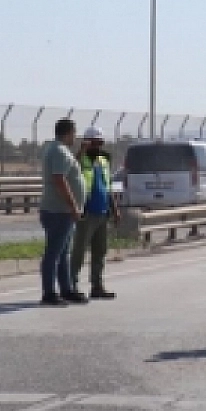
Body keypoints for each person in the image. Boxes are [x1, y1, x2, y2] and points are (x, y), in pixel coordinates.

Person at [38, 118, 87, 307]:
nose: (75, 136)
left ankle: (66, 290)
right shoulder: (58, 150)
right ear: (68, 133)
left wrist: (80, 153)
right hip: (59, 210)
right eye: (74, 133)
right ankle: (49, 293)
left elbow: (69, 169)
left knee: (63, 253)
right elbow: (59, 179)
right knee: (54, 253)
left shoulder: (59, 150)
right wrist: (73, 205)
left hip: (62, 210)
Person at [71, 127, 118, 300]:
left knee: (100, 251)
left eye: (100, 142)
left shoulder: (103, 160)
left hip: (102, 211)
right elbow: (70, 169)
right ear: (87, 142)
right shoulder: (80, 158)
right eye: (95, 142)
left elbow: (107, 186)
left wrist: (114, 209)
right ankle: (71, 285)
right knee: (79, 251)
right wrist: (81, 150)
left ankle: (97, 285)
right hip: (86, 212)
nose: (99, 146)